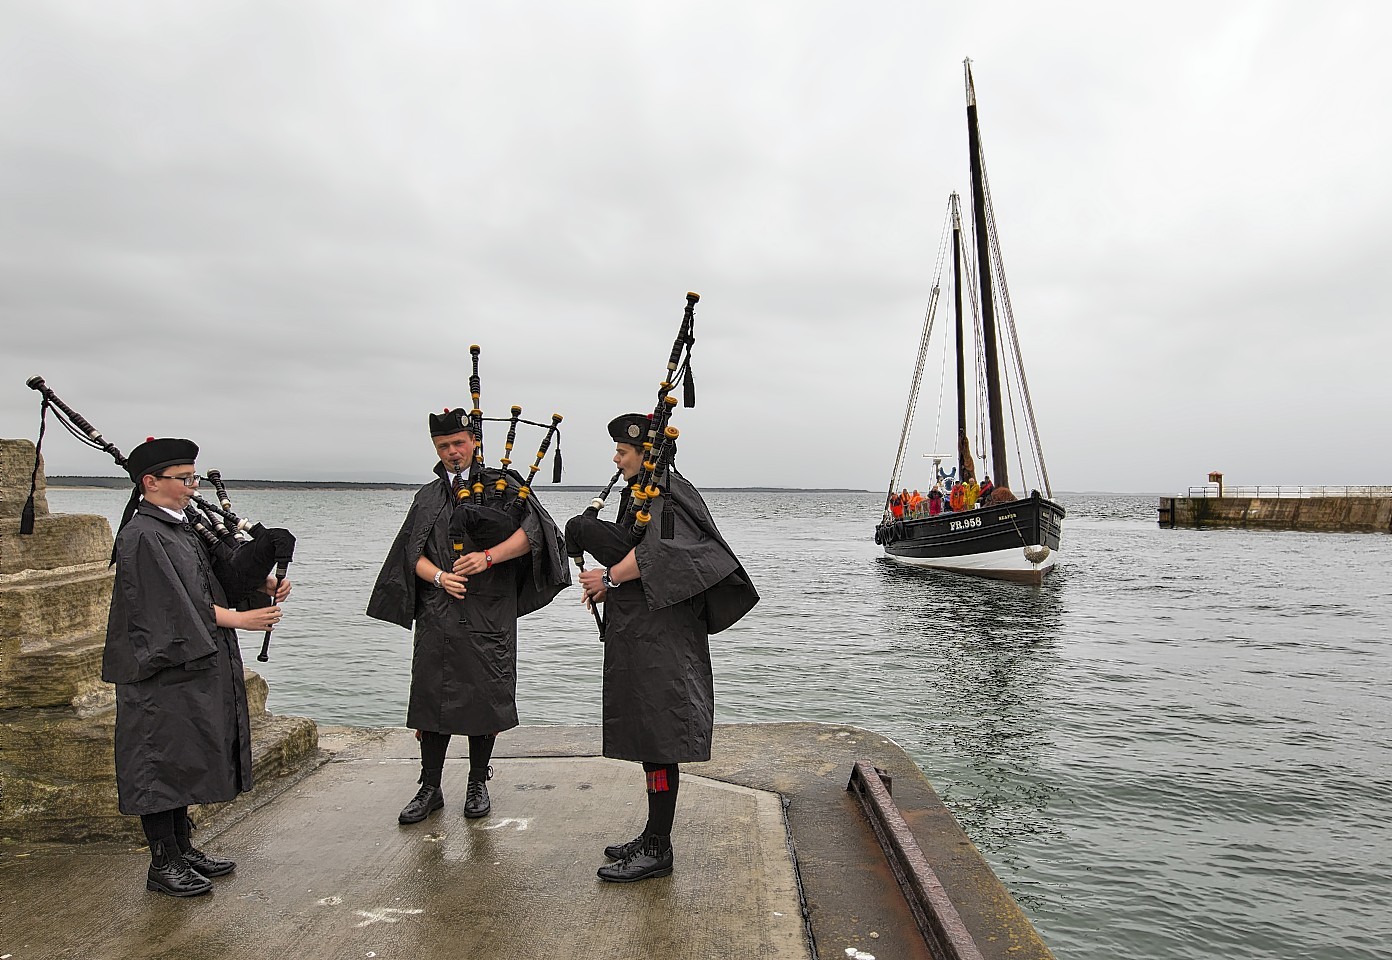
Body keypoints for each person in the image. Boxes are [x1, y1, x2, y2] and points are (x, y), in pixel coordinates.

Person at [566, 414, 759, 884]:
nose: (615, 457)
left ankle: (658, 847)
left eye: (622, 451)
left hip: (664, 638)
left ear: (645, 454)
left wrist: (610, 576)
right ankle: (654, 833)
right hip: (643, 631)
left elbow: (668, 555)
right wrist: (612, 587)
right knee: (649, 737)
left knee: (660, 738)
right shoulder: (645, 495)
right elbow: (644, 555)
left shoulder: (669, 495)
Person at [103, 438, 289, 898]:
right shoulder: (142, 534)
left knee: (180, 755)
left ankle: (183, 848)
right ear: (151, 482)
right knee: (157, 761)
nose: (192, 487)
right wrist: (241, 620)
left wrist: (263, 582)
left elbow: (213, 581)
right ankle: (162, 862)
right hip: (157, 669)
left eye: (194, 478)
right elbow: (169, 606)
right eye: (184, 479)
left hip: (187, 662)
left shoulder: (179, 527)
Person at [367, 407, 569, 826]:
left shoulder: (503, 486)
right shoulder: (427, 496)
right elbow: (409, 555)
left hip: (489, 611)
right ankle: (430, 787)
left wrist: (488, 557)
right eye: (444, 446)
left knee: (484, 699)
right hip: (438, 612)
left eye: (459, 443)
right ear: (435, 448)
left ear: (473, 441)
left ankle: (478, 782)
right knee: (431, 699)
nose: (453, 452)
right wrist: (439, 577)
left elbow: (537, 534)